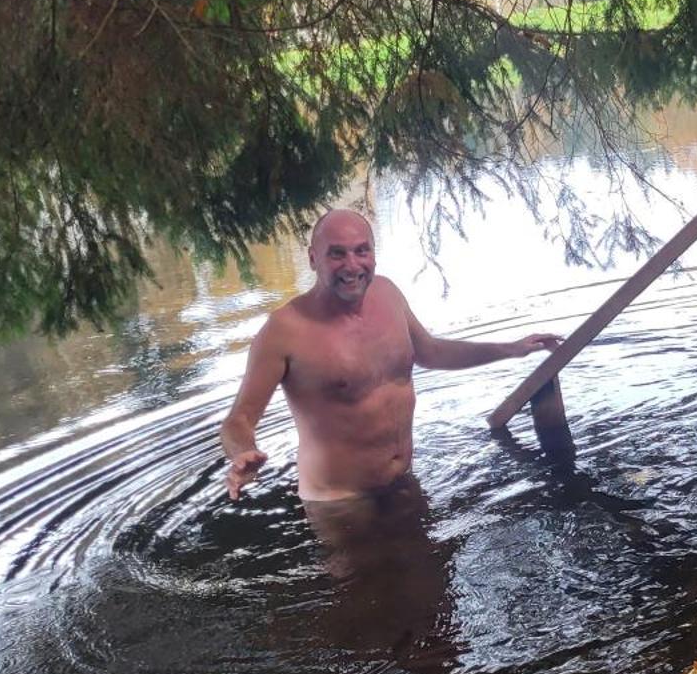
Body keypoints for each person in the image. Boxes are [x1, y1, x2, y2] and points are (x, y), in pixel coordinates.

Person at [220, 209, 562, 502]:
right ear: (313, 258)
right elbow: (239, 420)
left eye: (361, 251)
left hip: (404, 482)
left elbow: (431, 352)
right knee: (362, 583)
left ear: (373, 254)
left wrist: (511, 349)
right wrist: (241, 453)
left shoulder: (388, 293)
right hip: (340, 504)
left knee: (434, 578)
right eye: (337, 254)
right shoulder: (285, 330)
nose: (352, 265)